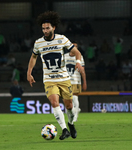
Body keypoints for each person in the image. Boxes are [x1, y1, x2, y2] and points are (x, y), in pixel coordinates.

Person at [27, 11, 83, 140]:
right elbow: (33, 57)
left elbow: (77, 53)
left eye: (47, 28)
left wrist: (78, 63)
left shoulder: (61, 39)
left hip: (64, 78)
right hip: (49, 79)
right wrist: (29, 72)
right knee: (54, 102)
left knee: (69, 106)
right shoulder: (38, 43)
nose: (45, 31)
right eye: (43, 28)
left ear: (54, 28)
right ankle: (64, 130)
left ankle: (70, 124)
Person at [64, 41, 87, 122]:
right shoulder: (64, 56)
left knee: (74, 97)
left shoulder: (79, 57)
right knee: (67, 99)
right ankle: (74, 111)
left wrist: (84, 82)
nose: (74, 48)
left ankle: (75, 116)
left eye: (76, 46)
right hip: (65, 81)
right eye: (73, 46)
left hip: (76, 81)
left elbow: (82, 71)